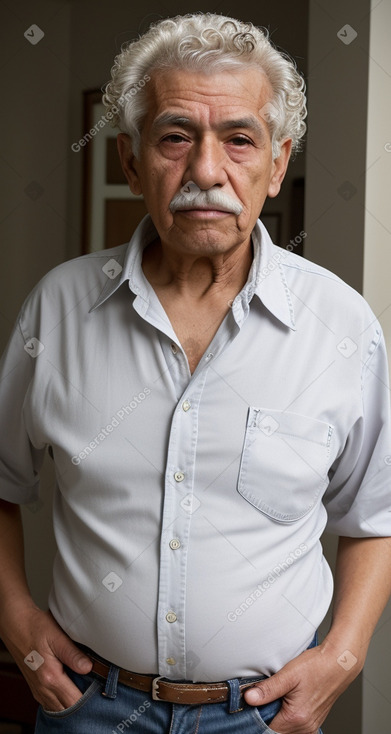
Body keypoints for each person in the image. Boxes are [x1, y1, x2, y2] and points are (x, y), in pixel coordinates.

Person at [0, 12, 390, 734]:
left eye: (239, 140)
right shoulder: (56, 309)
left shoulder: (341, 327)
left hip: (264, 717)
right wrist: (16, 622)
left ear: (276, 166)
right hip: (89, 708)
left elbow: (375, 515)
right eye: (175, 136)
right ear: (130, 161)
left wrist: (342, 655)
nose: (206, 171)